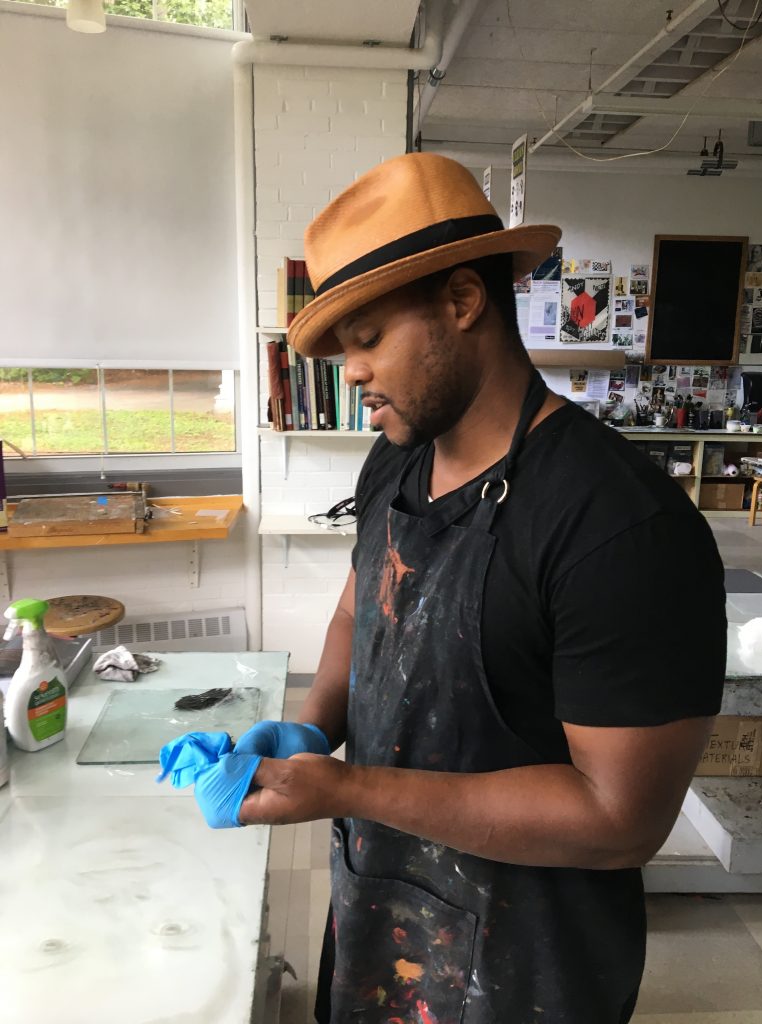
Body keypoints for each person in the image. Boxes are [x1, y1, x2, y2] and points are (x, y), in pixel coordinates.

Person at [162, 154, 726, 1023]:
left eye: (367, 340)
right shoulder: (399, 459)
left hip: (529, 967)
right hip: (382, 919)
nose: (350, 376)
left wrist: (346, 788)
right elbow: (365, 603)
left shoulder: (620, 526)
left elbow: (618, 819)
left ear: (463, 302)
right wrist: (319, 721)